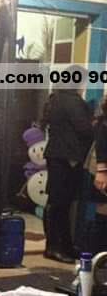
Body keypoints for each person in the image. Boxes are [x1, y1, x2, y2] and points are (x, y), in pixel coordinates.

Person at [43, 76, 93, 263]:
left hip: (57, 156)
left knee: (57, 202)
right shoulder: (73, 101)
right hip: (67, 158)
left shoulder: (56, 98)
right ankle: (56, 247)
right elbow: (84, 129)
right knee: (60, 204)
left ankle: (60, 245)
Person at [89, 96, 107, 254]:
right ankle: (96, 256)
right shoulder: (102, 124)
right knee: (103, 212)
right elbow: (101, 142)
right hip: (105, 170)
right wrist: (102, 171)